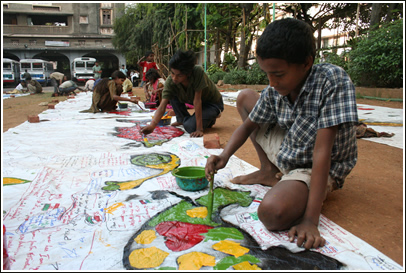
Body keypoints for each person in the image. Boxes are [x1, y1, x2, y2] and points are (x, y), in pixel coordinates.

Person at [205, 18, 358, 250]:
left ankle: (294, 185)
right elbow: (247, 126)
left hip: (316, 164)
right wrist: (224, 156)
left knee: (272, 213)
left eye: (278, 74)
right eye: (267, 74)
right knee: (245, 97)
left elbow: (322, 152)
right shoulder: (276, 89)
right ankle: (268, 170)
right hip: (292, 146)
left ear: (307, 63)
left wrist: (309, 220)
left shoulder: (331, 81)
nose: (272, 82)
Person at [141, 50, 224, 138]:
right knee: (171, 94)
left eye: (179, 75)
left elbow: (197, 101)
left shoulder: (197, 72)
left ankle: (211, 116)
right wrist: (152, 125)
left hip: (212, 104)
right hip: (197, 103)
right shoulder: (171, 81)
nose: (174, 78)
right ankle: (182, 119)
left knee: (190, 127)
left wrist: (199, 129)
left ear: (188, 74)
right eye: (172, 73)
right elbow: (162, 106)